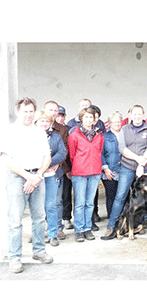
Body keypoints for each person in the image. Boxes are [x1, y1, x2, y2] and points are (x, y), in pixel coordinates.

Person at [1, 98, 53, 273]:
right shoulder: (10, 131)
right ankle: (14, 257)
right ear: (18, 111)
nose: (29, 115)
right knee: (15, 220)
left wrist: (37, 176)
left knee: (39, 218)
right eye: (25, 111)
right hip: (17, 177)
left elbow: (47, 157)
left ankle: (39, 251)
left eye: (31, 111)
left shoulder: (39, 131)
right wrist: (27, 177)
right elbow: (6, 159)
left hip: (38, 176)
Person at [101, 105, 147, 240]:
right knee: (120, 196)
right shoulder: (124, 129)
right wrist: (137, 160)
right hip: (127, 167)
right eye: (134, 114)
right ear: (130, 115)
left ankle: (141, 224)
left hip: (145, 166)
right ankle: (112, 225)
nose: (137, 117)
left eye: (139, 114)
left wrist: (141, 164)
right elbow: (122, 148)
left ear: (143, 114)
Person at [68, 106, 104, 242]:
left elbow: (99, 152)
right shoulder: (74, 135)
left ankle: (87, 228)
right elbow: (72, 155)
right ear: (82, 118)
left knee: (90, 203)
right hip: (80, 173)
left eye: (92, 117)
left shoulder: (99, 136)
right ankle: (79, 229)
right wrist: (78, 166)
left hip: (94, 173)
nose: (89, 119)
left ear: (95, 120)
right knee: (80, 203)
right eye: (86, 117)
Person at [35, 111, 67, 247]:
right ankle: (37, 234)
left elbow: (62, 153)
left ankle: (53, 234)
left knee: (51, 205)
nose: (44, 124)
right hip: (35, 175)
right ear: (36, 122)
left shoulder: (56, 137)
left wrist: (49, 163)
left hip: (52, 175)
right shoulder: (30, 137)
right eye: (41, 121)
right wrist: (42, 166)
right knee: (36, 207)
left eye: (47, 121)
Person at [43, 101, 69, 239]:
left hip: (56, 170)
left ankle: (58, 228)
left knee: (56, 201)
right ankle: (43, 229)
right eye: (50, 110)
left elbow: (64, 149)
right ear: (44, 110)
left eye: (55, 110)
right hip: (38, 172)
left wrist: (57, 163)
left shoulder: (62, 129)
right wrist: (43, 166)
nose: (53, 113)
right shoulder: (36, 127)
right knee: (40, 202)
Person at [101, 111, 123, 219]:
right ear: (109, 123)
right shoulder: (104, 137)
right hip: (110, 170)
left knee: (123, 196)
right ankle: (112, 220)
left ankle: (123, 219)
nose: (117, 124)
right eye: (114, 122)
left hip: (124, 170)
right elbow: (100, 154)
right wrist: (105, 168)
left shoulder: (125, 134)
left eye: (119, 121)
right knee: (111, 196)